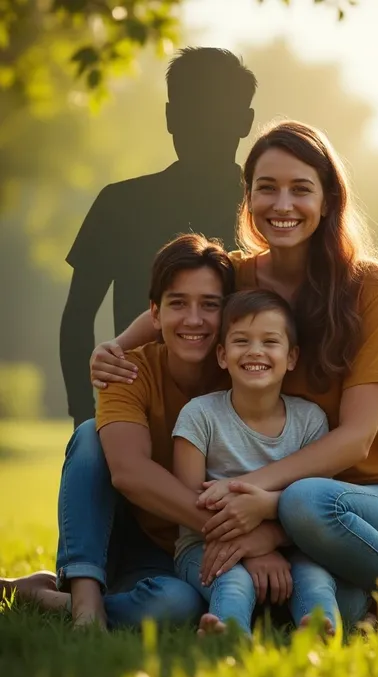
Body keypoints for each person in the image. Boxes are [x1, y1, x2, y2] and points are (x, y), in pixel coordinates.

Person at [89, 120, 378, 626]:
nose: (282, 204)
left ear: (328, 200)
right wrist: (116, 347)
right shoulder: (238, 277)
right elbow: (178, 307)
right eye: (267, 188)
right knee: (298, 609)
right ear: (248, 198)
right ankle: (358, 610)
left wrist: (257, 497)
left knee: (307, 500)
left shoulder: (372, 288)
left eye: (300, 189)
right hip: (288, 523)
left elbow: (354, 440)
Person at [1, 234, 299, 630]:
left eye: (210, 305)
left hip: (191, 551)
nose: (193, 319)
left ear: (228, 315)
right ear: (155, 314)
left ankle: (49, 597)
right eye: (178, 304)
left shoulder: (248, 371)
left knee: (173, 607)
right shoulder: (127, 370)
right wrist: (240, 536)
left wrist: (260, 539)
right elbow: (128, 472)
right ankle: (85, 604)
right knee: (91, 436)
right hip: (129, 535)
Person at [60, 47, 257, 428]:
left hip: (243, 414)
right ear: (170, 117)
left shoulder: (263, 211)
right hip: (139, 404)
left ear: (244, 122)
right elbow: (78, 318)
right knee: (88, 457)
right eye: (192, 113)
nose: (203, 127)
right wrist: (85, 417)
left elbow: (77, 317)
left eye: (215, 116)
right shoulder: (118, 204)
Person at [173, 289, 338, 637]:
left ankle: (321, 632)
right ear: (221, 354)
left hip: (291, 543)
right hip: (206, 545)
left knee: (315, 577)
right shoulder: (199, 416)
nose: (255, 351)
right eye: (241, 340)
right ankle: (228, 634)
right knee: (232, 580)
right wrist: (249, 552)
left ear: (291, 357)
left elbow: (316, 508)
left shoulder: (310, 421)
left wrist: (269, 540)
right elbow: (189, 507)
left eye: (270, 341)